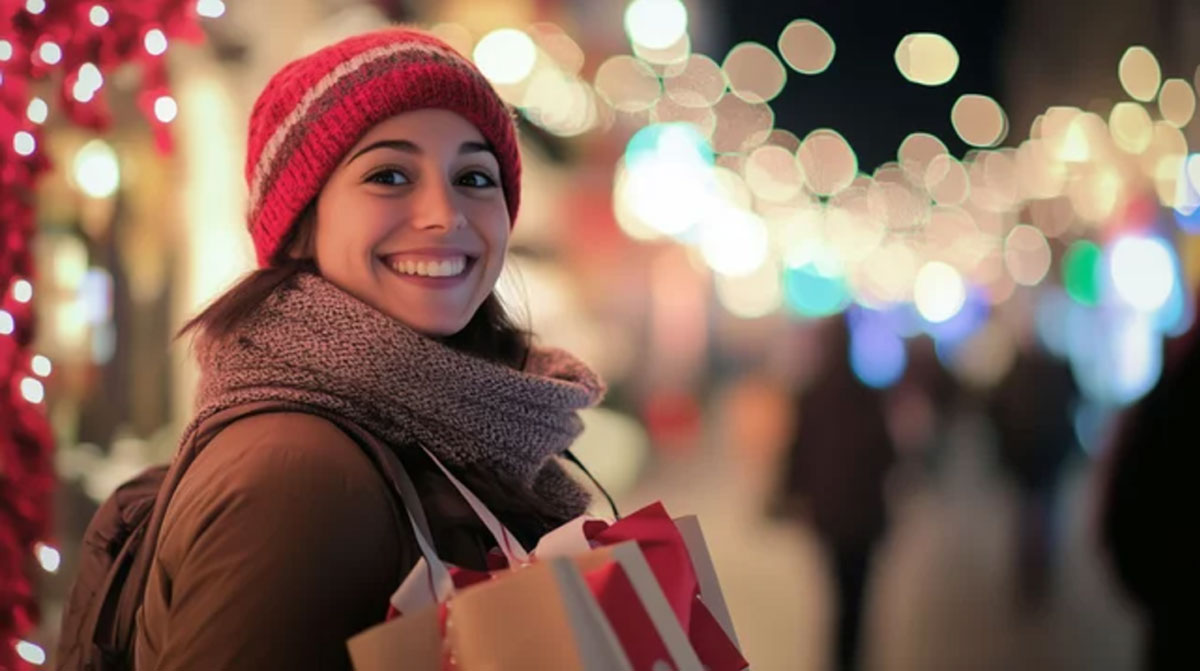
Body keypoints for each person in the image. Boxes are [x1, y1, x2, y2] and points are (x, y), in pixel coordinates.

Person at [125, 28, 606, 669]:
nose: (444, 213)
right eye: (389, 174)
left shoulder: (457, 425)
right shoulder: (295, 474)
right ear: (302, 225)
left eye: (473, 176)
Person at [774, 317, 897, 671]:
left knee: (836, 591)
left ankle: (837, 658)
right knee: (859, 596)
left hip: (828, 515)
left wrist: (790, 496)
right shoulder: (869, 395)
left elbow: (797, 453)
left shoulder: (811, 395)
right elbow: (887, 455)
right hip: (865, 514)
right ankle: (852, 657)